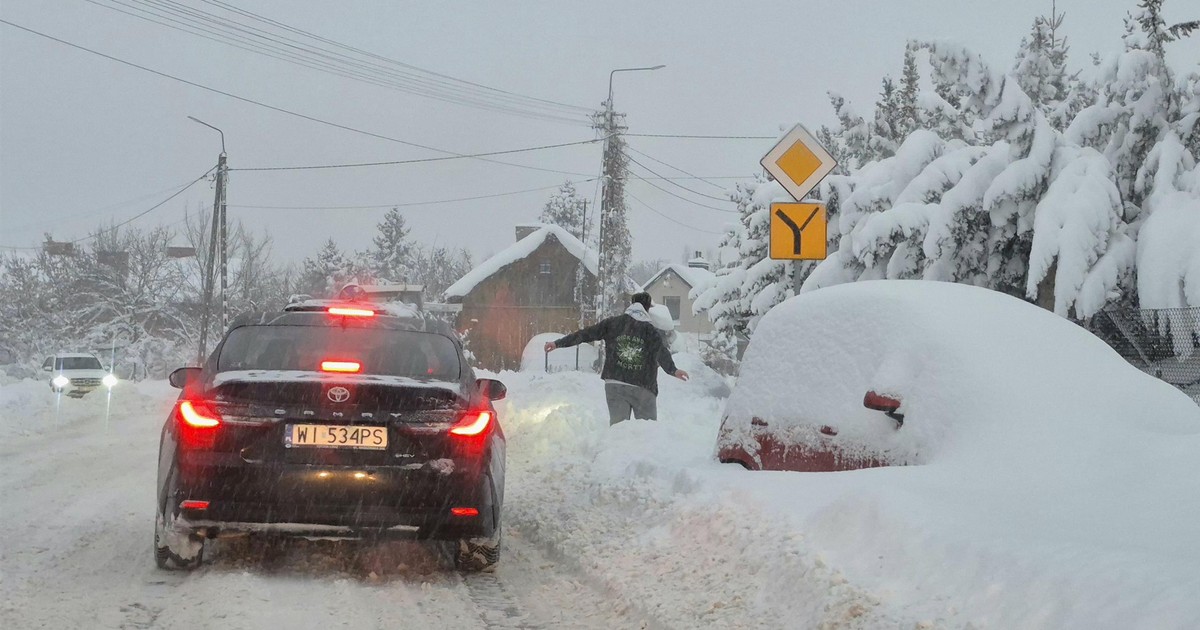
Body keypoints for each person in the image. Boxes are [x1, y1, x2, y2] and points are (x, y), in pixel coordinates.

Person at [545, 292, 689, 424]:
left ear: (631, 305)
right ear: (647, 309)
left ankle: (616, 451)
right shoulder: (650, 331)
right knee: (647, 433)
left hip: (615, 383)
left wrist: (557, 343)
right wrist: (673, 370)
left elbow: (586, 334)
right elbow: (661, 352)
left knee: (618, 432)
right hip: (643, 386)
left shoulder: (613, 323)